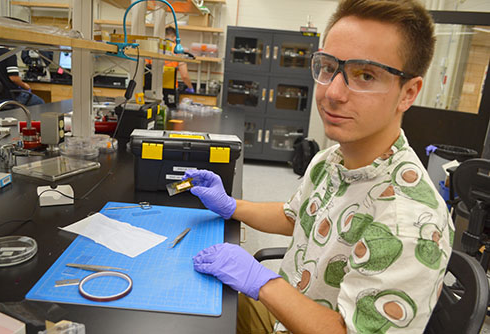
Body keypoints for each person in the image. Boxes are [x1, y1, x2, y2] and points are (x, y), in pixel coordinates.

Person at [184, 0, 454, 333]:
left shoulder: (409, 222)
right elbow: (296, 216)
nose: (333, 93)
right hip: (285, 316)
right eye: (328, 67)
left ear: (407, 93)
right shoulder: (332, 159)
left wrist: (262, 282)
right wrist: (231, 206)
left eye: (365, 75)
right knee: (194, 300)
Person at [164, 26, 194, 93]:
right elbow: (184, 76)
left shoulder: (156, 46)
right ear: (175, 38)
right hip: (170, 88)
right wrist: (190, 87)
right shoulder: (178, 50)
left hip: (151, 86)